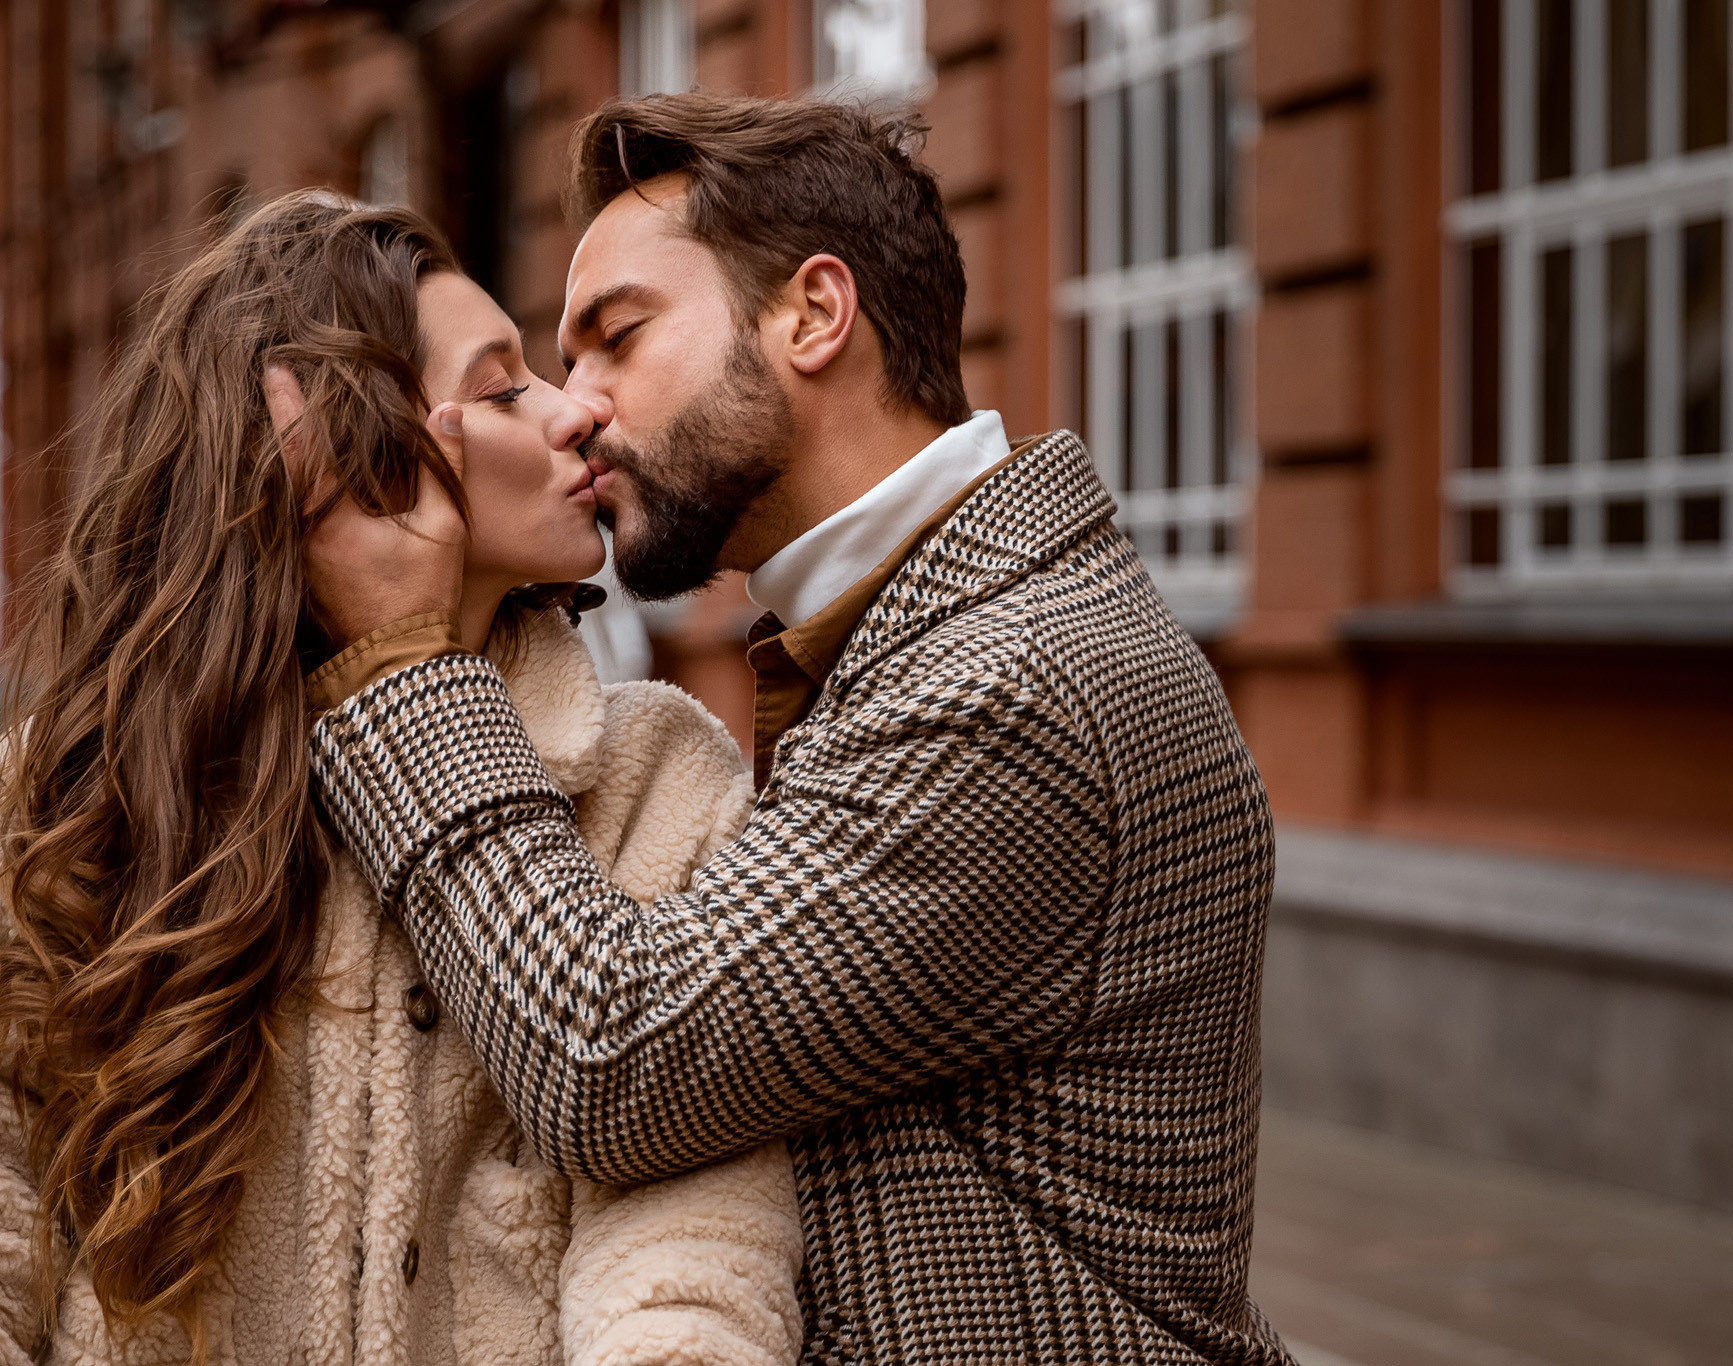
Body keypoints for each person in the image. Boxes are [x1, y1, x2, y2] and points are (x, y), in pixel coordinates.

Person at [298, 95, 1290, 1365]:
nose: (577, 407)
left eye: (618, 338)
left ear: (814, 315)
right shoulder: (910, 630)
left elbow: (611, 1060)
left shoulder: (1010, 688)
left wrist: (401, 670)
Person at [0, 192, 804, 1365]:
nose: (578, 412)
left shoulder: (655, 773)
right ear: (344, 448)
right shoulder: (63, 793)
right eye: (503, 386)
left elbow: (692, 1247)